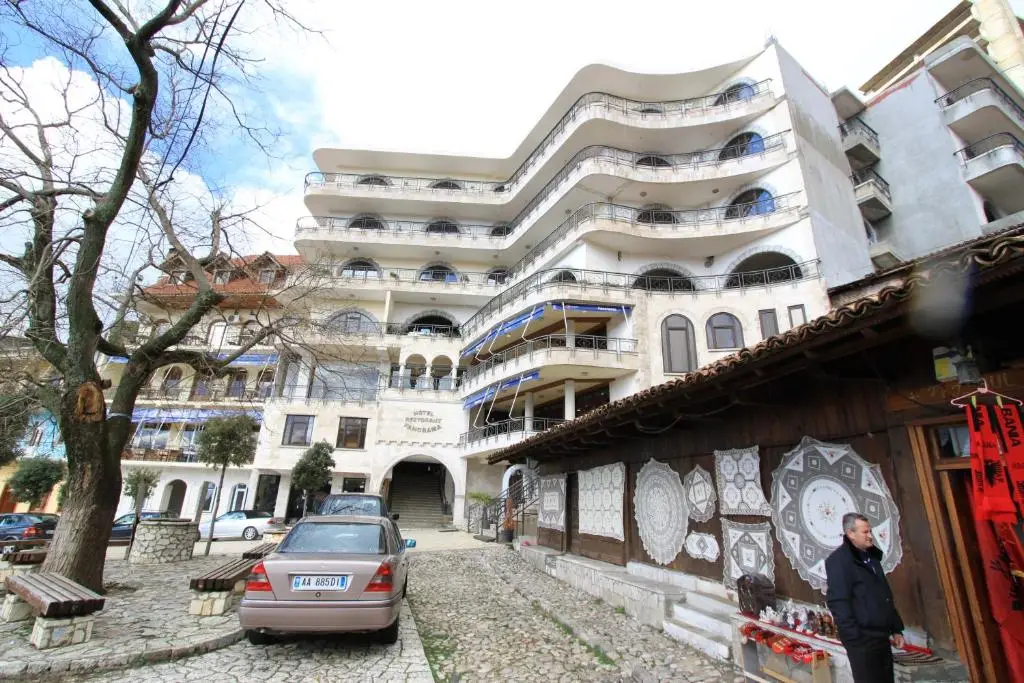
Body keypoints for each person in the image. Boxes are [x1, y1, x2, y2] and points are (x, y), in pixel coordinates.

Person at [825, 512, 905, 683]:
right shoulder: (839, 561)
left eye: (870, 531)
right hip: (862, 639)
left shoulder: (871, 558)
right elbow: (838, 602)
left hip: (881, 636)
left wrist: (895, 628)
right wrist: (855, 637)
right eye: (865, 532)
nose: (870, 536)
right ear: (851, 534)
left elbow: (884, 594)